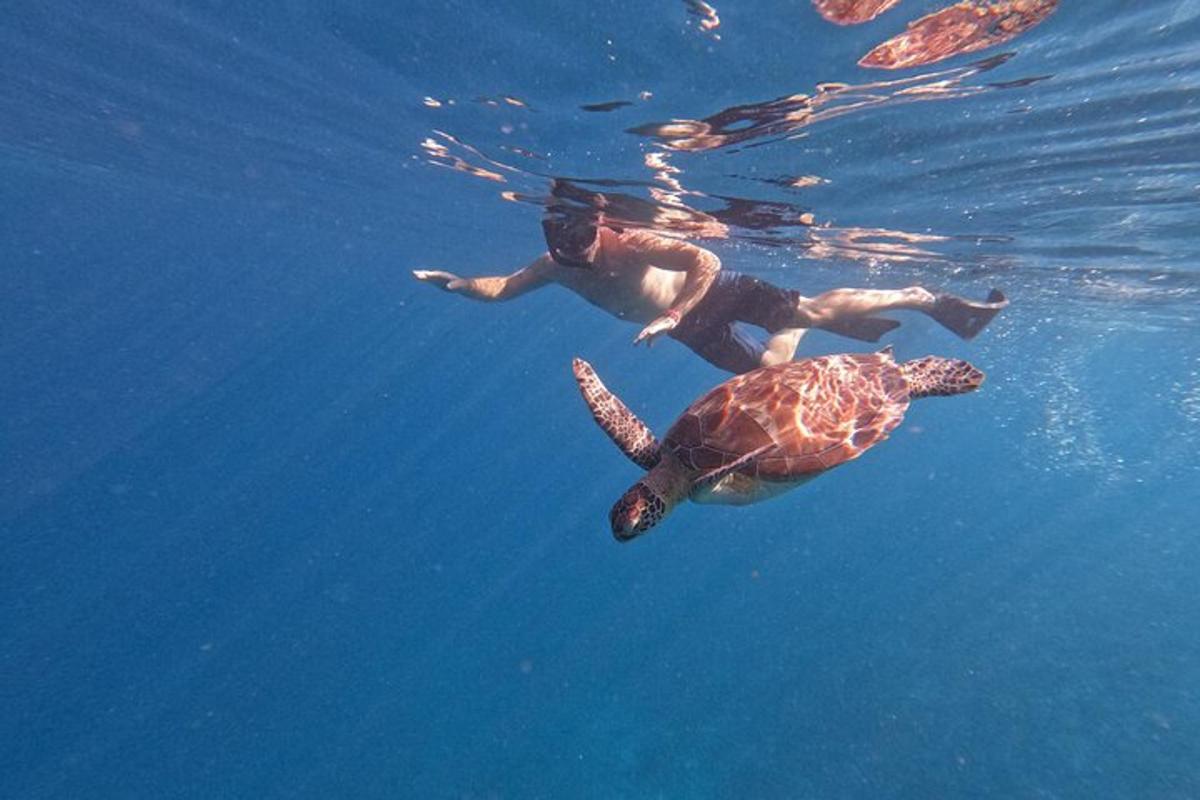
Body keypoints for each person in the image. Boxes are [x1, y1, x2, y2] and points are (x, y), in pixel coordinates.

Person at [412, 214, 1007, 374]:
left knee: (812, 309)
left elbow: (708, 258)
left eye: (588, 239)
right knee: (765, 378)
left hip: (712, 296)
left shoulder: (632, 241)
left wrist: (674, 311)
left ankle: (926, 297)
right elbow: (504, 289)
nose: (584, 252)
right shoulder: (556, 266)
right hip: (684, 328)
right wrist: (459, 285)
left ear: (599, 228)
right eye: (570, 247)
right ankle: (802, 330)